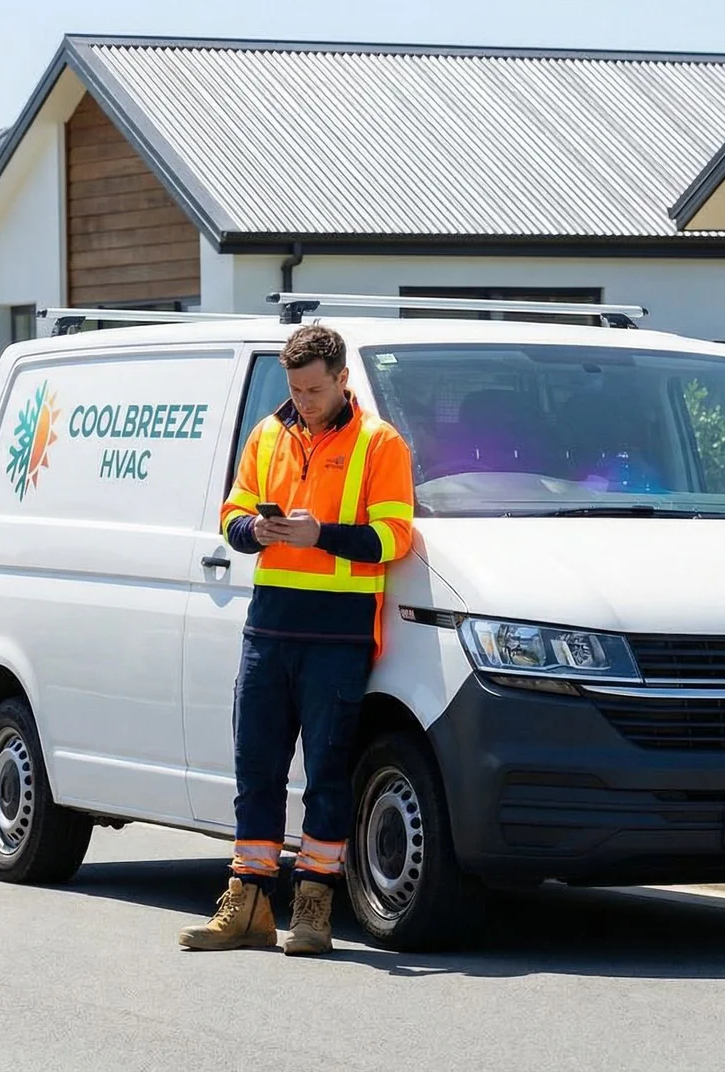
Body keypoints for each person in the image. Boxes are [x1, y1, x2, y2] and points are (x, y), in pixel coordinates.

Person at [178, 324, 415, 956]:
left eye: (314, 390)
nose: (303, 401)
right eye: (295, 390)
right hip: (269, 629)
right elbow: (232, 515)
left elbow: (395, 537)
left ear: (342, 379)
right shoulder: (267, 434)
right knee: (255, 769)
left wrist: (322, 536)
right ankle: (248, 905)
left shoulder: (380, 443)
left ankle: (313, 909)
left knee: (328, 777)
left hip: (338, 636)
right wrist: (254, 531)